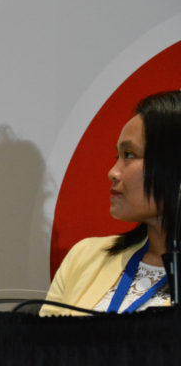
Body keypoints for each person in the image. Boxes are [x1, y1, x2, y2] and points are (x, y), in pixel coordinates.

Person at [41, 90, 181, 316]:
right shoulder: (85, 256)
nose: (112, 172)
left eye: (129, 155)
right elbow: (41, 349)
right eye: (117, 156)